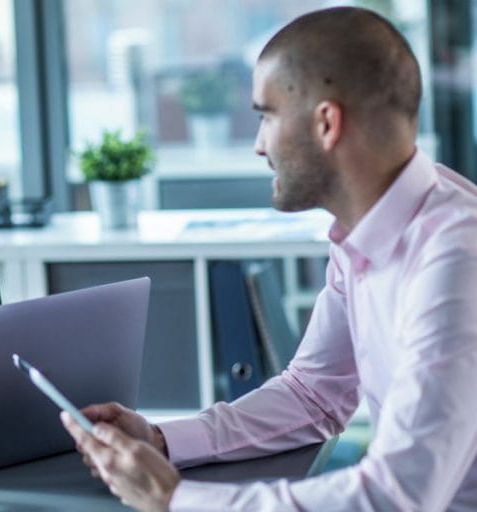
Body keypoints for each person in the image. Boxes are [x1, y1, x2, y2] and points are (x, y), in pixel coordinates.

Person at [62, 7, 477, 511]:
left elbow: (396, 495)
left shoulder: (455, 255)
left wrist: (173, 500)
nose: (259, 146)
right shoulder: (363, 234)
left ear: (327, 122)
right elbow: (313, 394)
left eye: (266, 117)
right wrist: (161, 439)